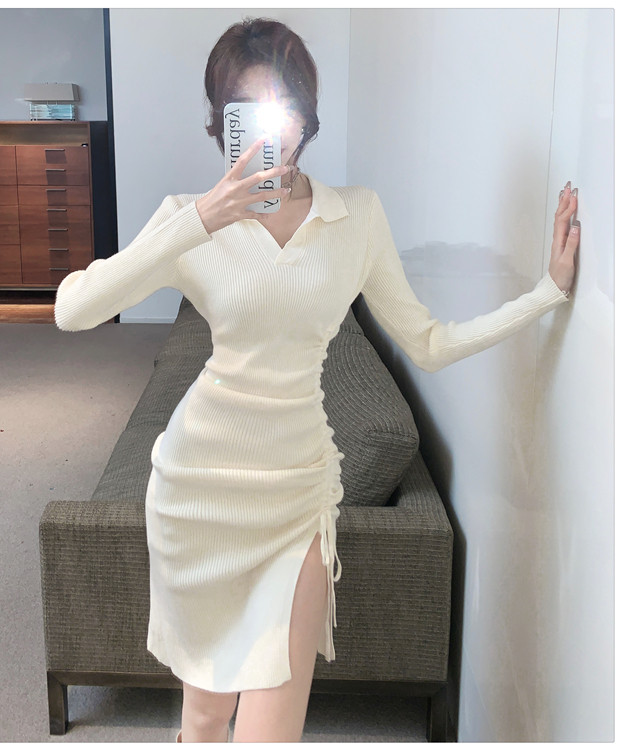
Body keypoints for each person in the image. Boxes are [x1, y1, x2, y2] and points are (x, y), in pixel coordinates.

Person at [54, 17, 579, 743]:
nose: (272, 128)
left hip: (297, 499)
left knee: (270, 734)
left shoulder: (354, 218)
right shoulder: (190, 223)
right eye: (246, 108)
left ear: (306, 115)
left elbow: (428, 343)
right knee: (203, 717)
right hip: (197, 494)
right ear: (222, 123)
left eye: (283, 105)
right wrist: (202, 218)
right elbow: (74, 310)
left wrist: (546, 294)